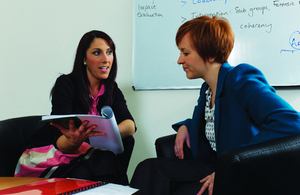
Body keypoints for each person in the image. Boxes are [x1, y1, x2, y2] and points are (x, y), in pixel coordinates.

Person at [130, 16, 300, 195]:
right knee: (149, 168)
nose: (180, 60)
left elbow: (291, 121)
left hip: (244, 171)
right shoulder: (207, 88)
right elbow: (219, 121)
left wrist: (237, 162)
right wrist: (186, 126)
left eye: (186, 53)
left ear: (210, 54)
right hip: (217, 164)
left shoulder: (240, 79)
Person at [15, 30, 136, 185]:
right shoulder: (66, 83)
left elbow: (130, 125)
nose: (106, 59)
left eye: (109, 52)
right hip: (57, 151)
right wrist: (79, 140)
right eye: (97, 53)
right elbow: (61, 135)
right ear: (84, 59)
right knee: (103, 163)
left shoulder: (112, 88)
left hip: (91, 153)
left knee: (124, 144)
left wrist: (102, 135)